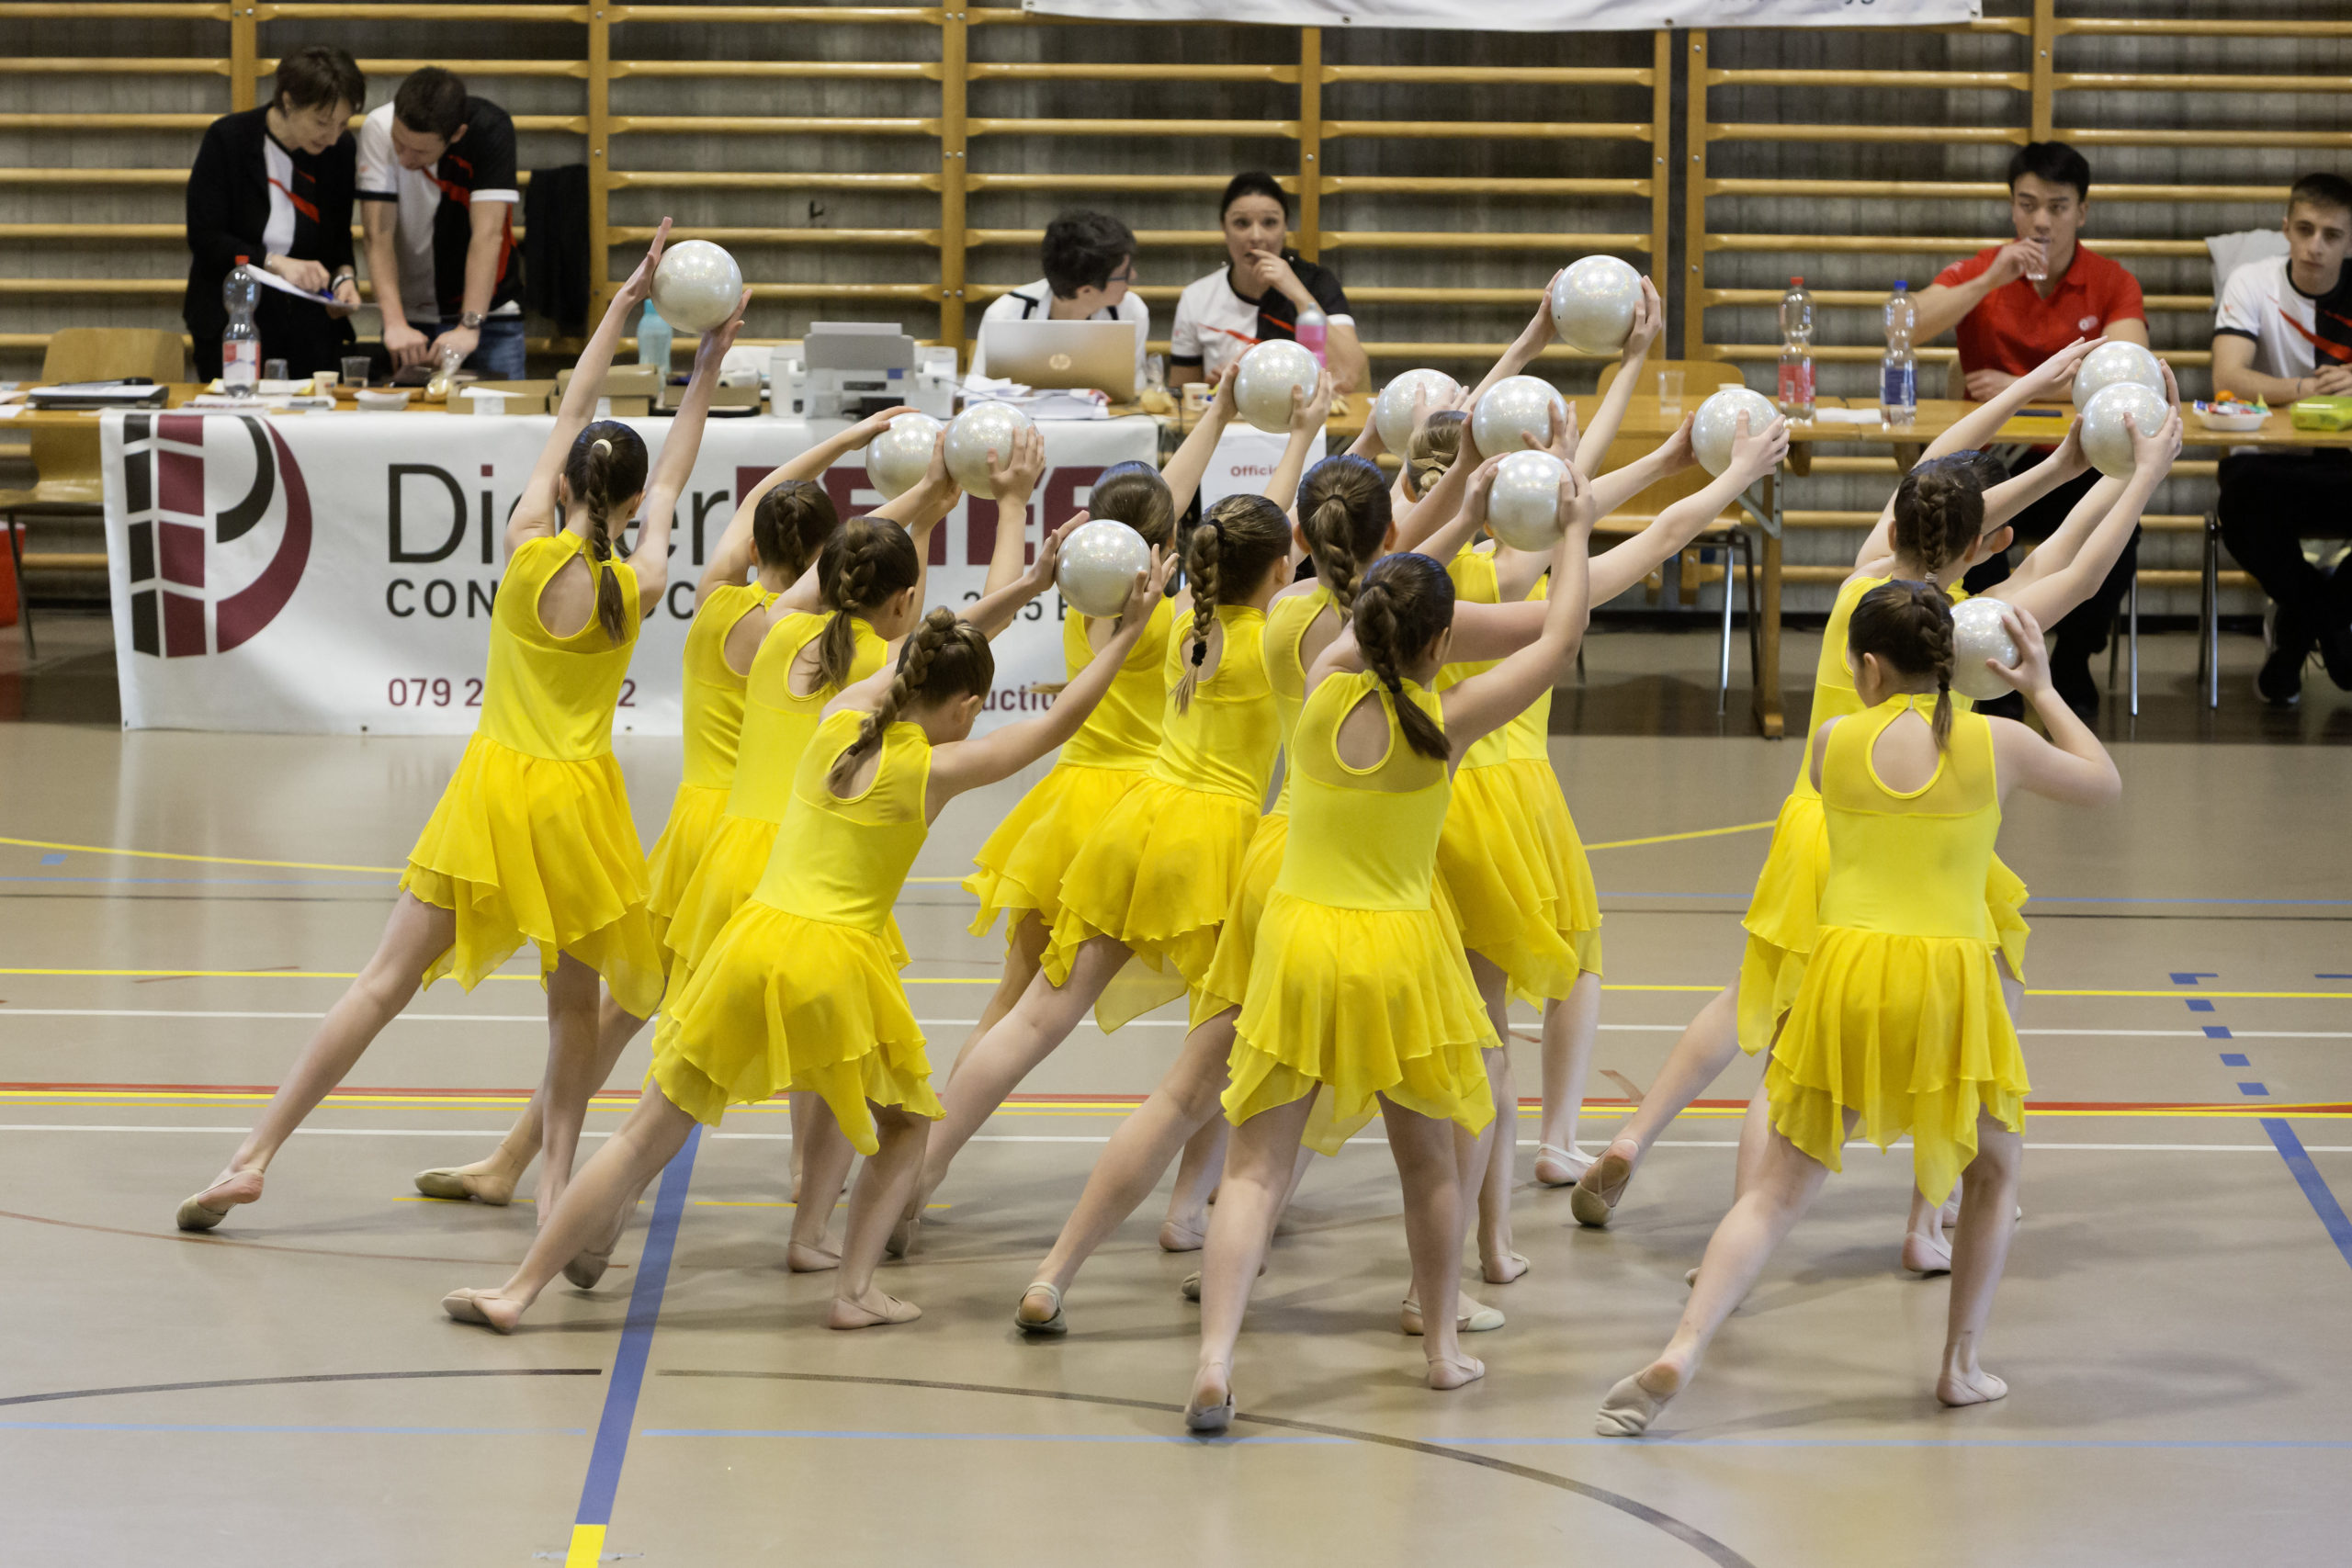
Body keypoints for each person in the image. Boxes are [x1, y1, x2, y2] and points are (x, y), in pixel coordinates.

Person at [440, 552, 1178, 1336]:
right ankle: (852, 1289)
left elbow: (914, 658)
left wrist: (1022, 590)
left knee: (639, 1135)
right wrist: (1127, 634)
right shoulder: (936, 769)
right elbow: (1059, 722)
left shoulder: (839, 720)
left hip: (751, 944)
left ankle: (516, 1290)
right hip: (836, 965)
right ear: (966, 706)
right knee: (907, 1126)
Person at [173, 224, 738, 1232]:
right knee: (571, 1012)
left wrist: (620, 307)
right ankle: (555, 1191)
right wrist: (703, 368)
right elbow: (671, 479)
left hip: (492, 794)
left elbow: (572, 410)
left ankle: (252, 1157)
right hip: (578, 809)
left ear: (565, 487)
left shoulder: (524, 542)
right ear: (628, 501)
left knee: (382, 983)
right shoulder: (639, 580)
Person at [1570, 345, 2177, 1278]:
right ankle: (1923, 1221)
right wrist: (2129, 474)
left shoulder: (1867, 589)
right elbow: (2077, 570)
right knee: (1966, 1024)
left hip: (1813, 827)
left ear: (1898, 522)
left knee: (1757, 1013)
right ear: (1986, 549)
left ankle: (1645, 1145)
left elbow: (1934, 476)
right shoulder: (1963, 636)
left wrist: (2038, 412)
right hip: (1905, 851)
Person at [1594, 588, 2122, 1438]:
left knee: (1776, 1192)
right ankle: (1959, 1366)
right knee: (1993, 1170)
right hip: (1950, 982)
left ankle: (1684, 1345)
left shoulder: (1831, 742)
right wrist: (2041, 690)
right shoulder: (2000, 743)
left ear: (1869, 666)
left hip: (1845, 974)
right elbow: (2103, 782)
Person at [405, 403, 925, 1220]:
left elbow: (760, 504)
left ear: (757, 546)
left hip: (693, 833)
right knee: (804, 1011)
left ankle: (516, 1159)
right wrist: (931, 496)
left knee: (624, 1013)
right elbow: (864, 575)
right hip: (766, 839)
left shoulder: (717, 602)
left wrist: (846, 443)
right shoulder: (819, 643)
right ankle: (793, 1180)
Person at [1187, 505, 1596, 1429]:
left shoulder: (1320, 689)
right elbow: (1560, 637)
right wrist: (1570, 529)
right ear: (1443, 644)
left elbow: (1379, 606)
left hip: (1298, 942)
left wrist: (1443, 520)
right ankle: (1442, 1349)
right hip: (1400, 954)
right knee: (1429, 1168)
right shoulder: (1447, 721)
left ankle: (1214, 1359)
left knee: (1252, 1171)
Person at [1911, 141, 2150, 720]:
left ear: (2082, 212)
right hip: (1991, 464)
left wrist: (2023, 386)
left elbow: (2131, 366)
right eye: (2027, 204)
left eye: (2058, 206)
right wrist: (1987, 281)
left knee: (2118, 527)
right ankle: (1987, 663)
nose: (2041, 220)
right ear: (2012, 206)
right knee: (1971, 525)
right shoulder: (1985, 268)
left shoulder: (2111, 280)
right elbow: (1907, 325)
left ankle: (2071, 659)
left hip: (2074, 459)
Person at [2210, 172, 2352, 704]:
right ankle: (2332, 622)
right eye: (2306, 230)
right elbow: (2227, 377)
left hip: (2345, 465)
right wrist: (2302, 388)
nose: (2316, 247)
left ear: (2350, 241)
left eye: (2332, 235)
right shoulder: (2252, 281)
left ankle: (2298, 629)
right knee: (2239, 504)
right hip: (2271, 465)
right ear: (2286, 228)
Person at [183, 47, 365, 380]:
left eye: (343, 124)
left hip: (308, 326)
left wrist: (345, 278)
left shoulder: (340, 150)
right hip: (234, 319)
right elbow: (206, 238)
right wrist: (275, 263)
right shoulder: (229, 139)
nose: (332, 137)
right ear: (288, 101)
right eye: (322, 122)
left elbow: (338, 236)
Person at [357, 67, 526, 378]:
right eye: (399, 143)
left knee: (502, 410)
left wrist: (469, 325)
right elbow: (377, 233)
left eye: (420, 151)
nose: (404, 158)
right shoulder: (379, 126)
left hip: (490, 314)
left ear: (457, 134)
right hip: (410, 320)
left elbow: (488, 235)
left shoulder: (490, 129)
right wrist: (394, 323)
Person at [1171, 172, 1369, 395]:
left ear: (1285, 227)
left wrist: (1297, 292)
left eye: (1270, 223)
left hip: (1303, 414)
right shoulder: (1197, 297)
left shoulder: (1317, 283)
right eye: (1241, 223)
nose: (1256, 236)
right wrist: (1213, 388)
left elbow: (1350, 375)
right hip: (1230, 417)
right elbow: (1181, 396)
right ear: (1224, 228)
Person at [971, 209, 1150, 387]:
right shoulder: (1005, 315)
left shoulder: (1131, 312)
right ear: (1086, 290)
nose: (1133, 276)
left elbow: (1132, 393)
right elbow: (979, 393)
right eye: (1124, 273)